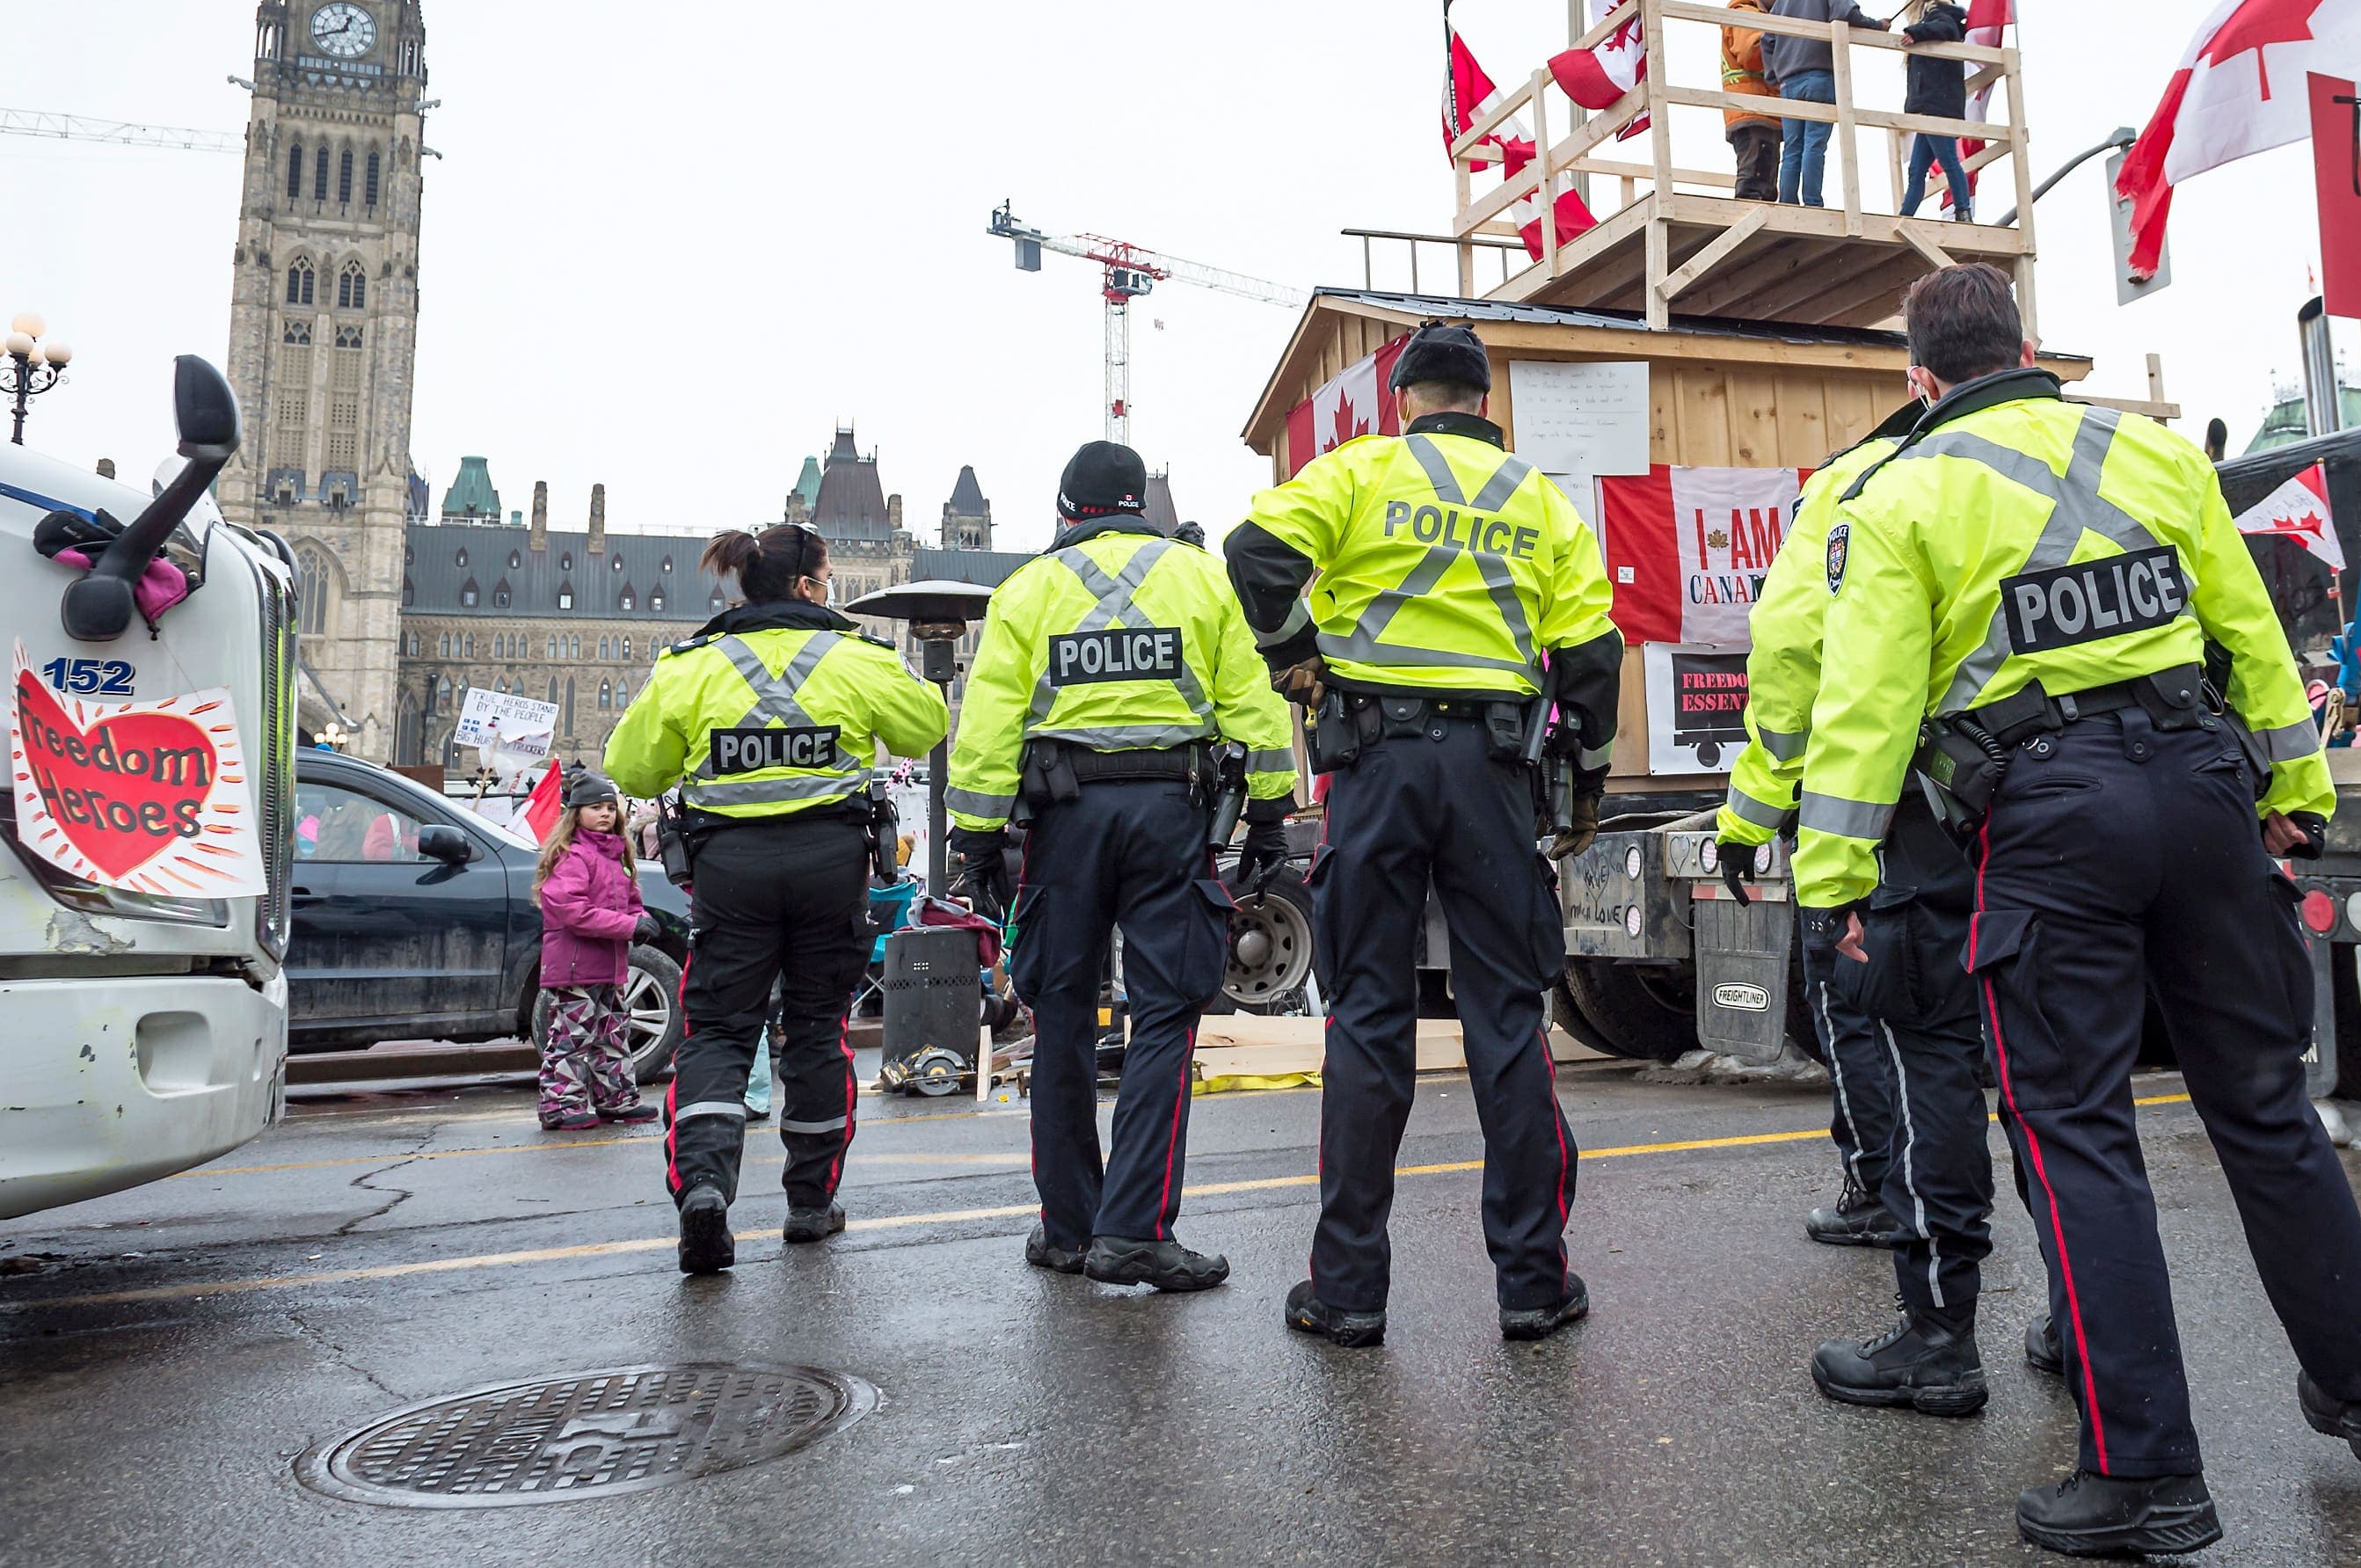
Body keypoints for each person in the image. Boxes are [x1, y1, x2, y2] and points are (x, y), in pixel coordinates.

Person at [1800, 266, 2361, 1559]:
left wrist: (1837, 883)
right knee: (2262, 1103)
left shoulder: (1899, 493)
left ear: (1921, 377)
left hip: (2049, 820)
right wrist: (2297, 789)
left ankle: (2147, 1475)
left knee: (2079, 1133)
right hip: (2202, 792)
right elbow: (2249, 630)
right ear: (2031, 350)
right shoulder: (2150, 454)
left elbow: (1862, 708)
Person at [1222, 318, 1621, 1347]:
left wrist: (1294, 654)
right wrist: (1584, 775)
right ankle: (1534, 1284)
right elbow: (1589, 654)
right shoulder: (1540, 499)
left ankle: (1348, 1293)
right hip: (1492, 773)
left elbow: (1255, 550)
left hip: (1377, 770)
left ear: (1406, 399)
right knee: (1505, 1020)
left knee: (1367, 1018)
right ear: (1486, 403)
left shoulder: (1361, 472)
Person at [1715, 396, 2019, 1423]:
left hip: (1917, 815)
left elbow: (1795, 663)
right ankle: (2081, 1312)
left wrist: (1753, 812)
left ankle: (1935, 1316)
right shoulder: (2046, 463)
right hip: (2059, 805)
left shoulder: (1852, 492)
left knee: (1910, 1041)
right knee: (2054, 1071)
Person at [946, 441, 1300, 1294]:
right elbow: (1250, 701)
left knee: (1060, 1011)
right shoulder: (1197, 577)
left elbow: (989, 723)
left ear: (1065, 511)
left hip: (1062, 820)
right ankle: (1136, 1230)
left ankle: (1068, 1228)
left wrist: (977, 839)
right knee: (1167, 1013)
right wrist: (1268, 810)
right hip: (1169, 812)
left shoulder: (1025, 590)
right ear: (1140, 502)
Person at [605, 521, 952, 1277]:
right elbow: (927, 725)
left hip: (731, 871)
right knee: (816, 1032)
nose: (831, 594)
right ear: (805, 588)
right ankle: (808, 1203)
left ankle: (703, 1187)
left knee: (720, 1035)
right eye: (826, 583)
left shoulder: (692, 664)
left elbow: (629, 765)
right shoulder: (853, 655)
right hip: (832, 865)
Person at [533, 767, 659, 1132]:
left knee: (612, 1033)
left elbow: (631, 901)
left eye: (609, 807)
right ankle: (559, 1104)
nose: (605, 814)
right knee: (572, 1038)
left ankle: (616, 1098)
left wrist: (641, 918)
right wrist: (629, 925)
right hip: (575, 967)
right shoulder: (573, 856)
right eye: (595, 807)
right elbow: (572, 911)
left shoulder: (616, 856)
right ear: (576, 813)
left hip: (609, 965)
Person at [1765, 0, 1888, 208]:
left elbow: (1767, 39)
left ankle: (1787, 200)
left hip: (1788, 83)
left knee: (1793, 147)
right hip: (1819, 75)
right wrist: (1878, 26)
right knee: (1815, 142)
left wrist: (1772, 74)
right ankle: (1812, 202)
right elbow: (1847, 14)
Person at [1898, 0, 1975, 222]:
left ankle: (1963, 211)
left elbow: (1947, 29)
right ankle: (1905, 217)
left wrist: (1917, 32)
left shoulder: (1941, 15)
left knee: (1948, 159)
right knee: (1917, 170)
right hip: (1930, 106)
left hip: (1937, 105)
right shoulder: (1937, 18)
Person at [1723, 0, 1789, 201]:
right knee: (1754, 183)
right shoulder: (1746, 14)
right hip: (1752, 107)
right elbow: (1751, 53)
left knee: (1766, 182)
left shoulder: (1759, 18)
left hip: (1762, 107)